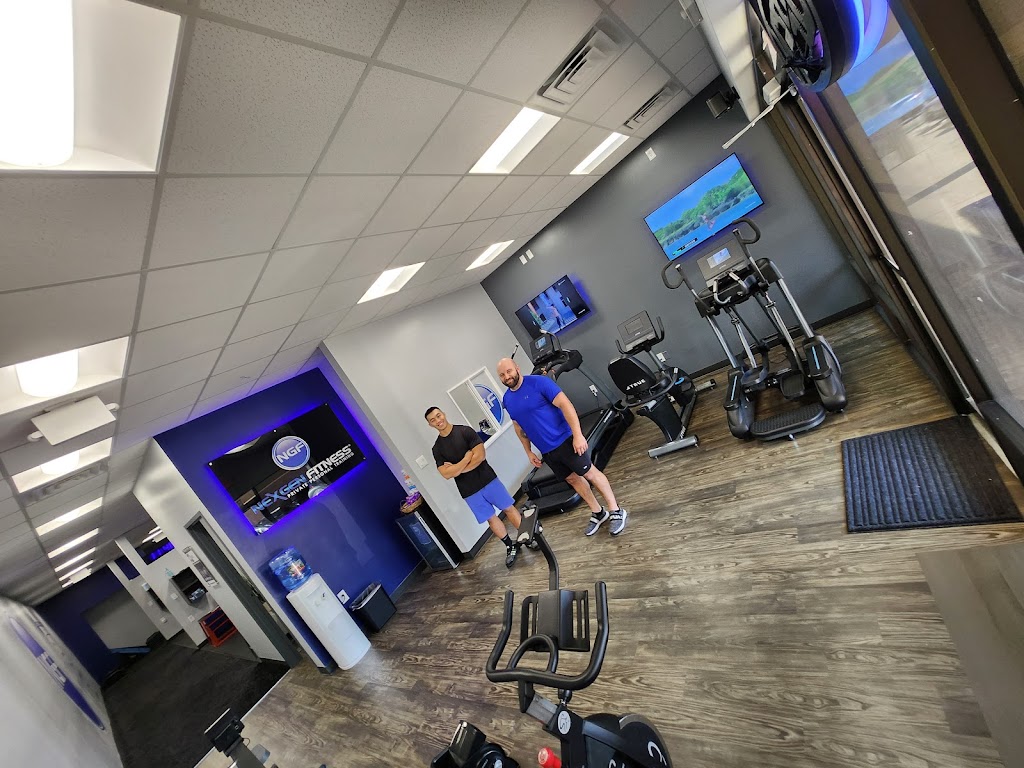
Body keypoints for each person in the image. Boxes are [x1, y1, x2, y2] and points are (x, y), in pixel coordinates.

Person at [497, 357, 628, 536]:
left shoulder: (539, 383)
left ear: (517, 368)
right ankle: (598, 512)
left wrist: (578, 435)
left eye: (509, 371)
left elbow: (566, 404)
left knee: (590, 473)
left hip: (565, 440)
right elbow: (518, 426)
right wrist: (528, 451)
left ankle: (616, 510)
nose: (507, 376)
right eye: (502, 375)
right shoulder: (507, 400)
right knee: (573, 479)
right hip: (547, 450)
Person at [425, 406, 525, 568]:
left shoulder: (465, 431)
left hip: (488, 480)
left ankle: (528, 538)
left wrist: (456, 469)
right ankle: (510, 546)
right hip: (469, 491)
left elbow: (480, 457)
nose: (438, 420)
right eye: (433, 420)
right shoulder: (437, 449)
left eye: (438, 415)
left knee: (509, 508)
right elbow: (446, 474)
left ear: (444, 414)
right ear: (430, 425)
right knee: (491, 519)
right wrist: (466, 459)